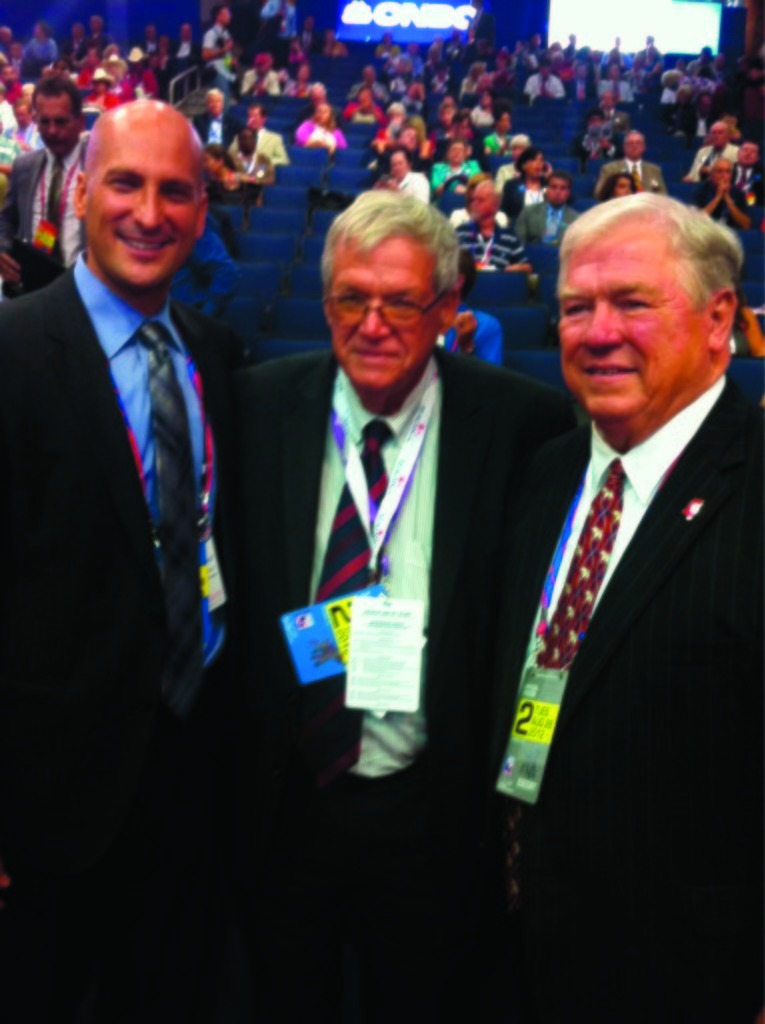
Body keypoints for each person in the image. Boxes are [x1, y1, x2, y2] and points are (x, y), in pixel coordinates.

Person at [235, 189, 574, 1024]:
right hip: (285, 807)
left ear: (448, 307)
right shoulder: (255, 405)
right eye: (352, 297)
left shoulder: (520, 421)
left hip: (436, 814)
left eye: (400, 301)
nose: (373, 323)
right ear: (326, 303)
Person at [491, 193, 763, 1024]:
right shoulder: (542, 474)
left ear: (718, 319)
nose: (595, 332)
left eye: (631, 303)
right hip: (521, 949)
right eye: (576, 307)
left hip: (694, 977)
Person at [0, 99, 240, 1024]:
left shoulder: (217, 356)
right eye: (128, 184)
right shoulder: (13, 351)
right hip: (44, 810)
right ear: (82, 189)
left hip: (190, 792)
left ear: (202, 213)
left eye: (176, 191)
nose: (150, 212)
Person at [0, 76, 86, 294]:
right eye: (44, 122)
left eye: (60, 121)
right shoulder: (24, 166)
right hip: (33, 288)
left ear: (80, 122)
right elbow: (7, 219)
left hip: (82, 288)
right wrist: (2, 250)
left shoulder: (99, 168)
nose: (52, 131)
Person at [456, 177, 531, 272]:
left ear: (494, 206)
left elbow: (527, 267)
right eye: (473, 200)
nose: (474, 204)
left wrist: (504, 271)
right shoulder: (460, 233)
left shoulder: (509, 237)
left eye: (480, 200)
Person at [595, 131, 667, 197]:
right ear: (624, 147)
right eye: (630, 143)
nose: (634, 146)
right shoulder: (609, 169)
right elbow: (599, 193)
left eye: (638, 143)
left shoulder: (654, 170)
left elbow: (663, 194)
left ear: (644, 147)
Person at [514, 170, 578, 244]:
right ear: (546, 189)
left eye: (563, 188)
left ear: (568, 192)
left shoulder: (576, 219)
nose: (558, 192)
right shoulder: (528, 212)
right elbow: (518, 241)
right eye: (553, 187)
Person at [693, 158, 751, 230]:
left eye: (728, 172)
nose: (724, 175)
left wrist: (727, 198)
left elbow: (746, 225)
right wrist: (718, 196)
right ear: (712, 174)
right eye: (719, 171)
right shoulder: (701, 191)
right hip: (707, 233)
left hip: (732, 234)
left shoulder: (738, 193)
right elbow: (696, 221)